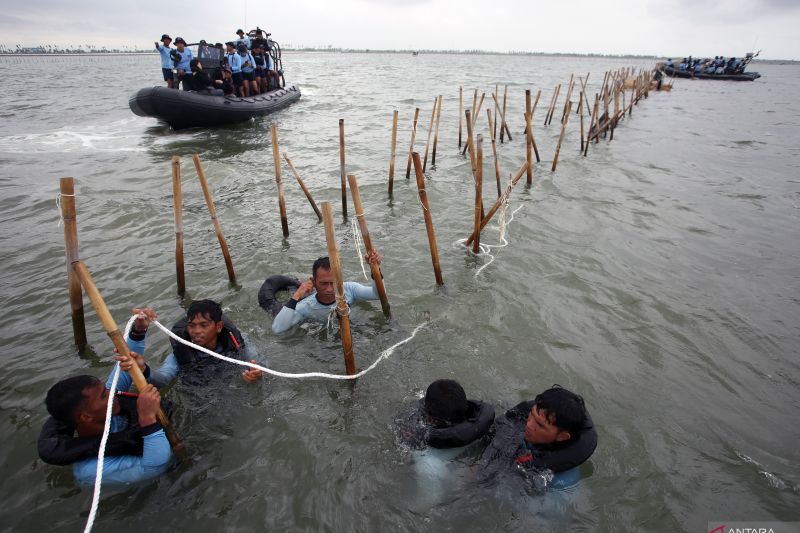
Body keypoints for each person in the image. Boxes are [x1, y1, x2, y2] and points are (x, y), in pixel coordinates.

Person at [39, 374, 172, 486]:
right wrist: (147, 418)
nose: (112, 394)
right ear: (86, 417)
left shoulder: (104, 409)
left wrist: (133, 358)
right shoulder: (91, 470)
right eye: (104, 395)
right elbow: (156, 468)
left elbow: (123, 368)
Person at [477, 385, 597, 494]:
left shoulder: (562, 481)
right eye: (532, 415)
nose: (529, 425)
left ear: (562, 437)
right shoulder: (519, 420)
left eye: (540, 425)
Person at [117, 300, 263, 387]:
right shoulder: (179, 354)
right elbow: (164, 378)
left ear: (218, 327)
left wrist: (255, 374)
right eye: (192, 325)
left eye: (204, 325)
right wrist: (144, 369)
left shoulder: (236, 340)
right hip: (199, 394)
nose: (196, 331)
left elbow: (259, 363)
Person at [271, 250, 383, 335]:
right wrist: (296, 296)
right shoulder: (306, 306)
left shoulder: (349, 289)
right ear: (313, 282)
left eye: (333, 283)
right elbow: (278, 330)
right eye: (323, 283)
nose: (329, 289)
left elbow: (377, 295)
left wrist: (375, 269)